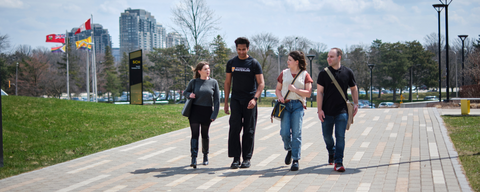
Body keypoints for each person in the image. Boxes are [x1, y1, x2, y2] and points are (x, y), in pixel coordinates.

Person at [224, 37, 265, 169]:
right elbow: (227, 83)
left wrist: (255, 99)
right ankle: (236, 158)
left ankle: (246, 158)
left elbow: (261, 83)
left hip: (250, 101)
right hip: (236, 100)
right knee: (234, 129)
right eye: (239, 49)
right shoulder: (231, 63)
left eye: (243, 49)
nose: (241, 52)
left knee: (249, 130)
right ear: (236, 49)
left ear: (248, 48)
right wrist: (226, 102)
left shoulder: (254, 63)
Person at [316, 48, 359, 172]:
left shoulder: (348, 72)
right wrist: (319, 110)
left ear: (339, 57)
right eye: (328, 56)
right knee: (327, 136)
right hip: (327, 111)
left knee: (340, 137)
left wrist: (356, 103)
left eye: (331, 57)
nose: (328, 59)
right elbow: (319, 92)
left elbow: (354, 88)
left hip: (342, 112)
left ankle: (339, 162)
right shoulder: (323, 73)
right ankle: (331, 151)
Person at [275, 51, 313, 171]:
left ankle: (296, 159)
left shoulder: (305, 74)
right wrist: (280, 96)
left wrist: (295, 90)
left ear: (297, 62)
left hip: (298, 105)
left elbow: (308, 93)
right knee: (284, 133)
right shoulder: (284, 73)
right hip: (285, 105)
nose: (288, 61)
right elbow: (278, 89)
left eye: (290, 60)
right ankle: (289, 149)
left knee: (297, 133)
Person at [183, 62, 220, 169]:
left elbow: (217, 100)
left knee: (205, 134)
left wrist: (214, 114)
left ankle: (205, 156)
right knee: (194, 135)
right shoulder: (193, 82)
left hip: (207, 111)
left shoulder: (213, 82)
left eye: (208, 68)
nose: (208, 71)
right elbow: (185, 92)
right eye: (205, 69)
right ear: (199, 71)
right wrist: (189, 94)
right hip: (194, 111)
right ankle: (193, 158)